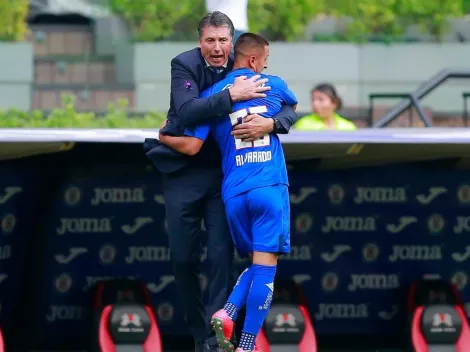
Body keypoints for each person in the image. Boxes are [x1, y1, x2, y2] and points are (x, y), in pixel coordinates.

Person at [143, 11, 298, 352]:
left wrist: (269, 125)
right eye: (210, 41)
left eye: (223, 41)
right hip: (200, 173)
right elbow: (186, 112)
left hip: (226, 179)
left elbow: (288, 111)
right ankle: (226, 338)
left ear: (233, 44)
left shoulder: (234, 73)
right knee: (190, 260)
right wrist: (232, 96)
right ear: (199, 42)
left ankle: (217, 337)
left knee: (222, 258)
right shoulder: (187, 66)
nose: (217, 48)